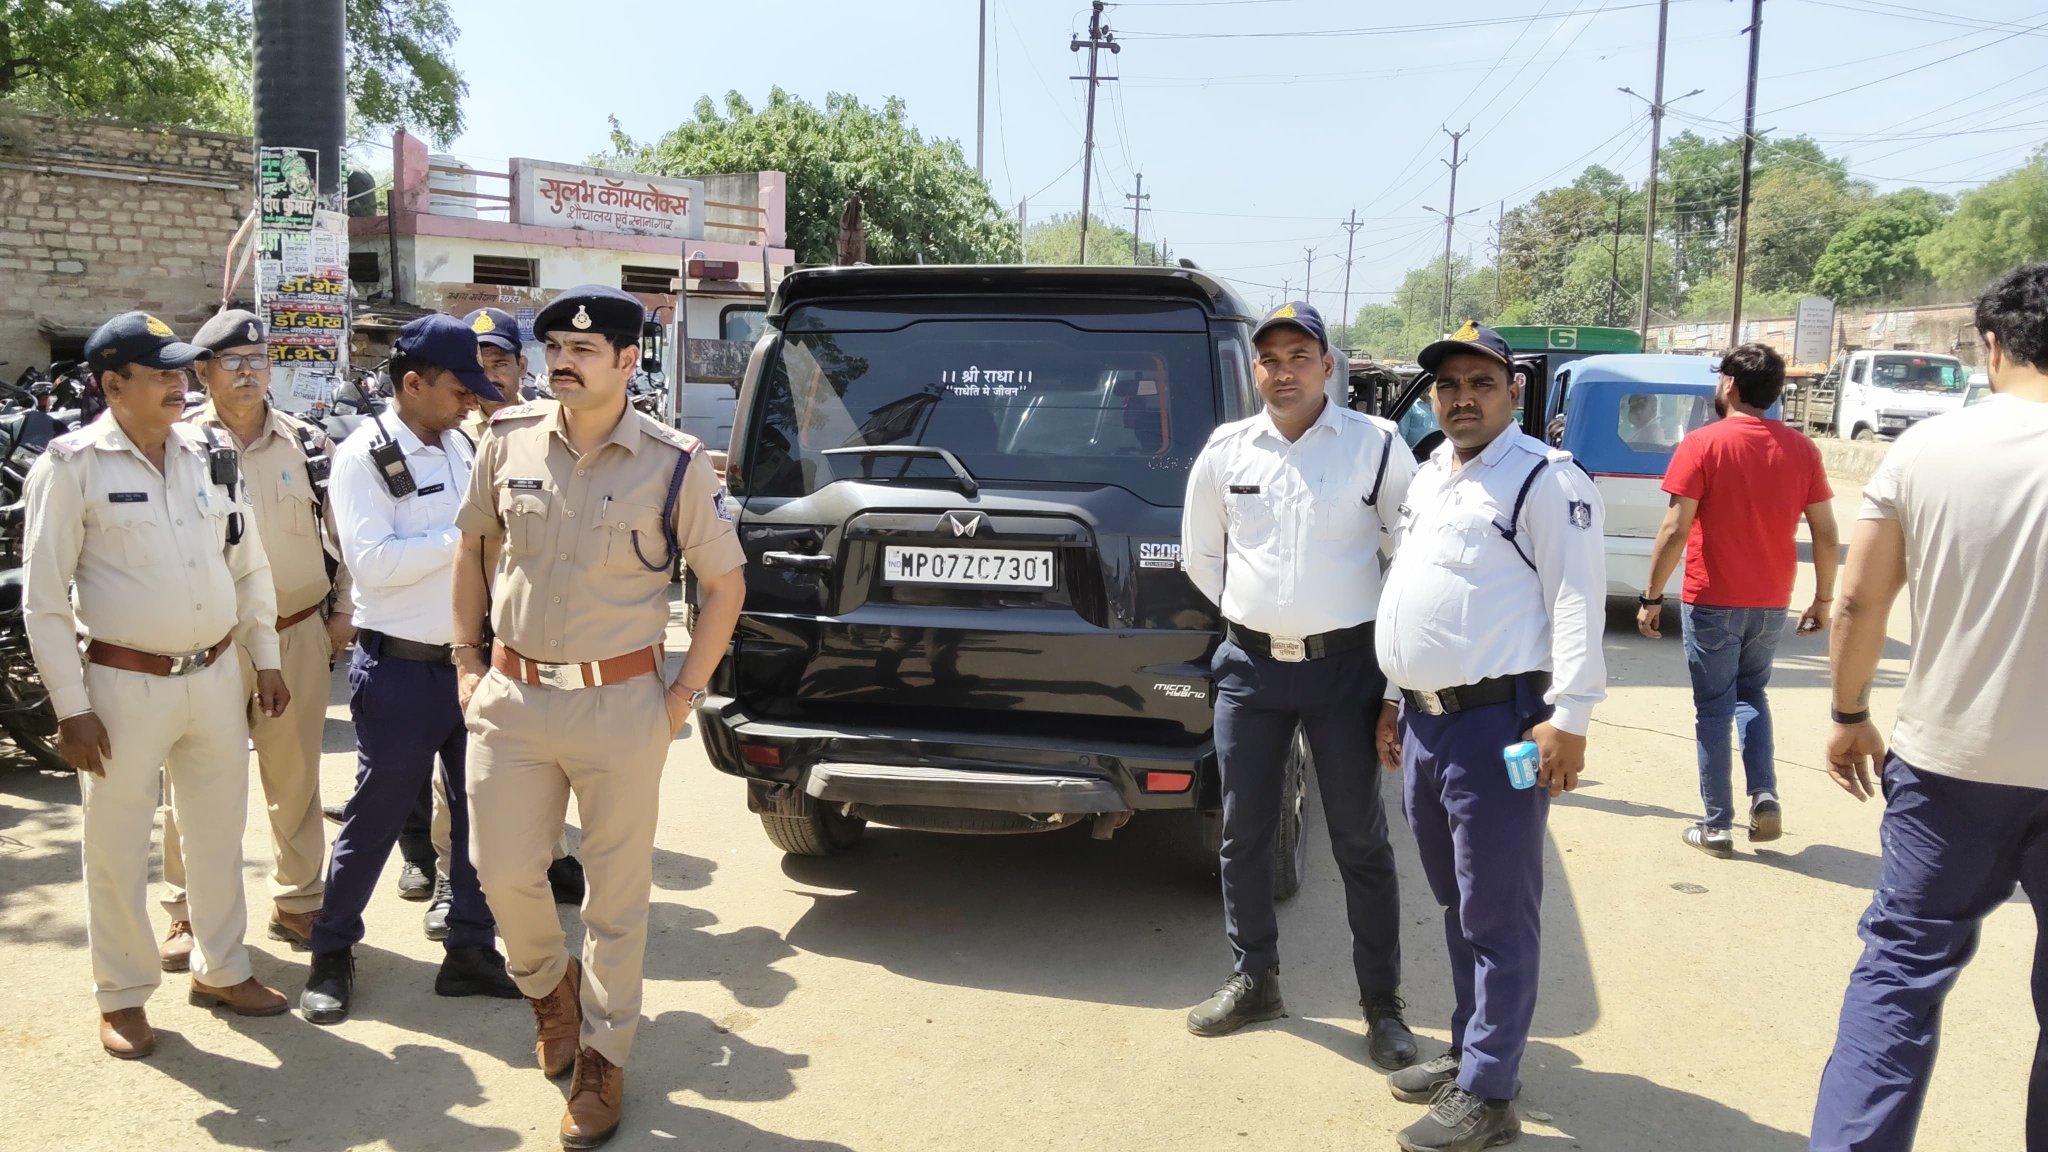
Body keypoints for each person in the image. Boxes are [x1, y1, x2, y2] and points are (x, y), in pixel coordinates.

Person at [455, 285, 747, 1149]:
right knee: (500, 871)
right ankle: (552, 989)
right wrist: (466, 661)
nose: (563, 361)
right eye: (554, 348)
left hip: (620, 703)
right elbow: (473, 549)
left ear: (627, 361)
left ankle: (602, 1057)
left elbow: (725, 586)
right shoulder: (506, 440)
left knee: (616, 898)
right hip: (512, 697)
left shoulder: (675, 462)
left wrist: (680, 698)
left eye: (584, 350)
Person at [1810, 264, 2048, 1152]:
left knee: (1900, 974)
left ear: (1991, 347)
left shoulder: (1928, 449)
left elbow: (1859, 602)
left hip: (1950, 767)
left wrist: (1848, 714)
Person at [23, 311, 293, 1057]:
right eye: (162, 374)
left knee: (217, 833)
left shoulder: (208, 452)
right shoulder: (72, 465)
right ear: (113, 385)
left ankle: (222, 968)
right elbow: (43, 603)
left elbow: (247, 562)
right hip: (122, 685)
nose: (180, 386)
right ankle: (122, 995)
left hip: (215, 674)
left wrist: (266, 657)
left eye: (181, 373)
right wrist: (71, 708)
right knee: (115, 846)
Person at [1375, 322, 1607, 1152]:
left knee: (1499, 912)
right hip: (1426, 723)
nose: (1461, 398)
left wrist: (1570, 717)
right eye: (1448, 385)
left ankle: (1490, 1092)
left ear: (1514, 390)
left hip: (1496, 725)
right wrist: (1394, 698)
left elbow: (1577, 599)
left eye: (1480, 382)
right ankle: (1471, 1047)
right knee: (1458, 901)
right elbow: (1411, 587)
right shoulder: (1432, 472)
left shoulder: (1544, 478)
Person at [1179, 301, 1421, 1070]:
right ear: (1255, 368)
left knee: (1359, 839)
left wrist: (1394, 686)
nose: (1283, 372)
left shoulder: (1376, 447)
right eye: (1270, 359)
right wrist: (1257, 618)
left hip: (1346, 670)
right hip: (1249, 670)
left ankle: (1382, 1004)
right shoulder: (1226, 451)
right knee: (1243, 831)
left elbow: (1410, 558)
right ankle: (1254, 977)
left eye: (1299, 357)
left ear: (1327, 365)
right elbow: (1200, 557)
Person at [299, 313, 519, 1023]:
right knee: (376, 817)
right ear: (414, 383)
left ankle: (470, 948)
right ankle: (332, 950)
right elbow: (373, 565)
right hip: (399, 671)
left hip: (469, 664)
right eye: (460, 387)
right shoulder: (363, 456)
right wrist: (469, 535)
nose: (470, 399)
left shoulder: (460, 445)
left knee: (480, 813)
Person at [155, 309, 354, 968]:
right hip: (205, 644)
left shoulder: (309, 444)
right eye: (232, 362)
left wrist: (343, 610)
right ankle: (186, 912)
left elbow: (344, 534)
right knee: (192, 781)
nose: (248, 373)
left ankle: (299, 899)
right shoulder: (174, 446)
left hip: (295, 633)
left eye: (258, 360)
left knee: (295, 776)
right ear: (203, 373)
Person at [1636, 343, 1837, 857]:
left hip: (1713, 599)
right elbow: (1826, 532)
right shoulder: (1802, 450)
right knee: (1752, 695)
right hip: (1771, 601)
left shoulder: (1702, 444)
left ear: (1728, 383)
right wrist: (1823, 599)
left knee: (1713, 709)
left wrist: (1652, 595)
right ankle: (1764, 794)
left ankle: (1717, 825)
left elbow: (1675, 529)